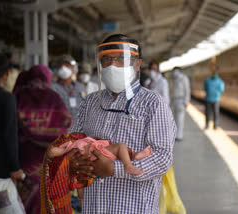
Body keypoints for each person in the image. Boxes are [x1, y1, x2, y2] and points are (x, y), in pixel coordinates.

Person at [67, 34, 176, 214]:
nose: (112, 66)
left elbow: (162, 157)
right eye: (106, 60)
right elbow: (73, 140)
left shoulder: (153, 104)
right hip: (94, 206)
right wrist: (74, 161)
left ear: (137, 64)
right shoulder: (90, 102)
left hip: (134, 208)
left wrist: (115, 169)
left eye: (120, 59)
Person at [13, 64, 72, 214]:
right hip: (49, 158)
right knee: (47, 198)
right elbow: (67, 122)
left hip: (26, 158)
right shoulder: (54, 96)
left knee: (27, 199)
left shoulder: (19, 95)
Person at [0, 53, 25, 211]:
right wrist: (15, 167)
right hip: (0, 172)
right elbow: (9, 135)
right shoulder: (7, 99)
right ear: (6, 75)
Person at [51, 55, 86, 119]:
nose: (63, 68)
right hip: (60, 126)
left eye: (67, 66)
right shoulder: (52, 88)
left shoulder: (80, 87)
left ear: (73, 68)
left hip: (78, 126)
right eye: (60, 66)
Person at [170, 67, 190, 141]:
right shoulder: (173, 79)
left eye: (176, 71)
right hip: (174, 100)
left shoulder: (184, 78)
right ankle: (174, 134)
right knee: (174, 119)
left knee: (180, 119)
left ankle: (179, 135)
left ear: (180, 71)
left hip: (181, 100)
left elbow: (187, 90)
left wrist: (186, 101)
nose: (174, 72)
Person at [203, 64, 224, 129]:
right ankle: (207, 124)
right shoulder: (207, 80)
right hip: (208, 99)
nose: (215, 74)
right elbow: (205, 88)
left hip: (216, 99)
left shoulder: (220, 81)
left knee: (216, 113)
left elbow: (222, 90)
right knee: (207, 113)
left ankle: (215, 125)